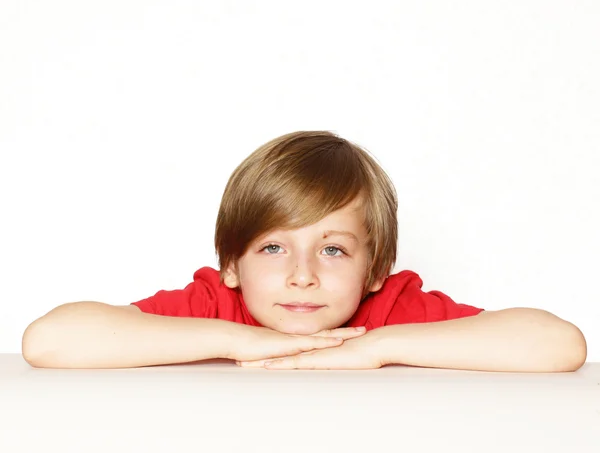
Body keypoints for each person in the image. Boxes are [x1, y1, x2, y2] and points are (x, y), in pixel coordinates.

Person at [21, 131, 587, 372]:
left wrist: (377, 349)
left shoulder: (388, 310)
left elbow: (557, 345)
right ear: (232, 265)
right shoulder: (216, 303)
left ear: (375, 271)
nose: (302, 276)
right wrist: (237, 339)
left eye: (334, 251)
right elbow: (50, 340)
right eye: (272, 247)